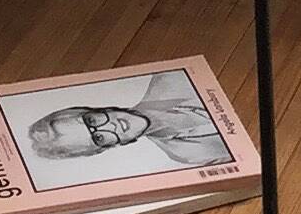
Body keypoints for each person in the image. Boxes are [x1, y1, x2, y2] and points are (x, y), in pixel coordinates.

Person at [22, 69, 230, 173]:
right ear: (107, 147)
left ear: (99, 109)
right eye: (99, 138)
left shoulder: (173, 78)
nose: (109, 126)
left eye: (92, 120)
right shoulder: (187, 156)